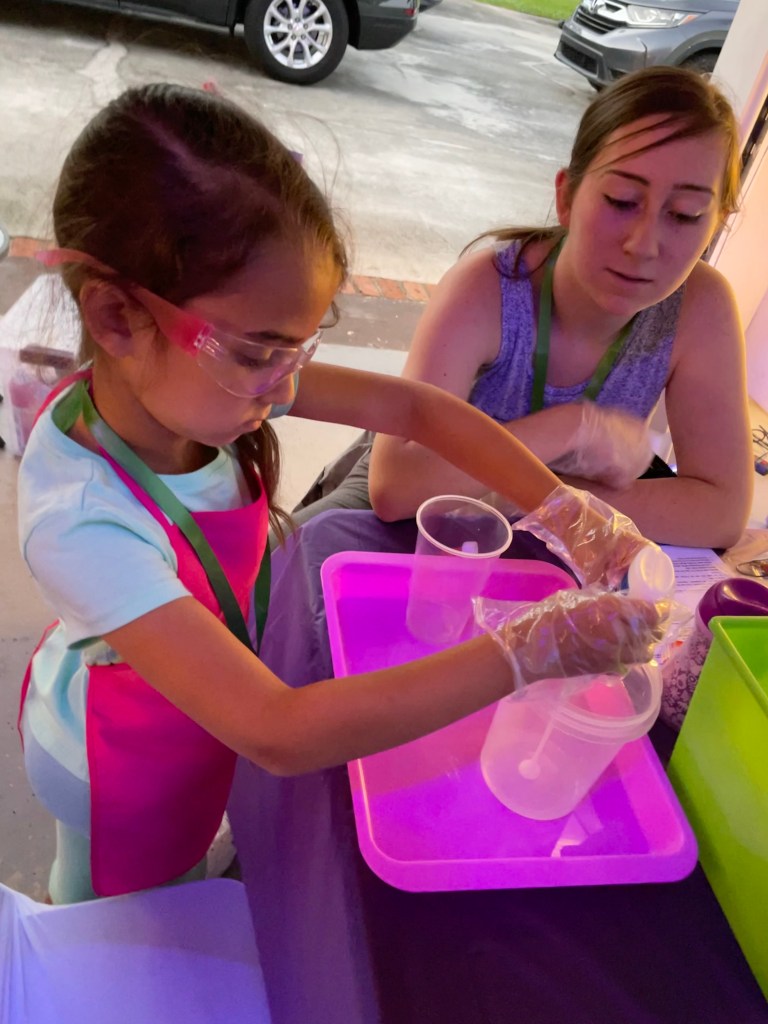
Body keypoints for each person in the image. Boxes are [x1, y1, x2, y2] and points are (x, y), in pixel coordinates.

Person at [16, 84, 664, 905]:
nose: (287, 384)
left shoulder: (210, 379)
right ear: (115, 317)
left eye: (301, 350)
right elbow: (278, 731)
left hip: (196, 712)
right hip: (114, 761)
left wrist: (565, 511)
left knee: (190, 879)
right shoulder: (81, 520)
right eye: (263, 353)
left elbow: (415, 407)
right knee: (115, 928)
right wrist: (526, 652)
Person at [292, 66, 753, 551]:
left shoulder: (701, 308)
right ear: (567, 196)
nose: (644, 244)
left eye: (684, 215)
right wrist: (571, 427)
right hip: (410, 512)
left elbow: (721, 512)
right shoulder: (487, 288)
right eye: (621, 201)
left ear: (716, 224)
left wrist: (541, 495)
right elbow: (396, 488)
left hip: (526, 531)